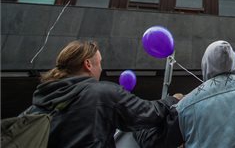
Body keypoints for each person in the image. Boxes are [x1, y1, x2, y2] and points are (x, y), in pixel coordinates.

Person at [24, 40, 180, 148]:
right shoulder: (101, 93)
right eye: (100, 62)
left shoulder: (37, 105)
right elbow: (148, 113)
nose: (101, 69)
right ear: (88, 64)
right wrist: (173, 100)